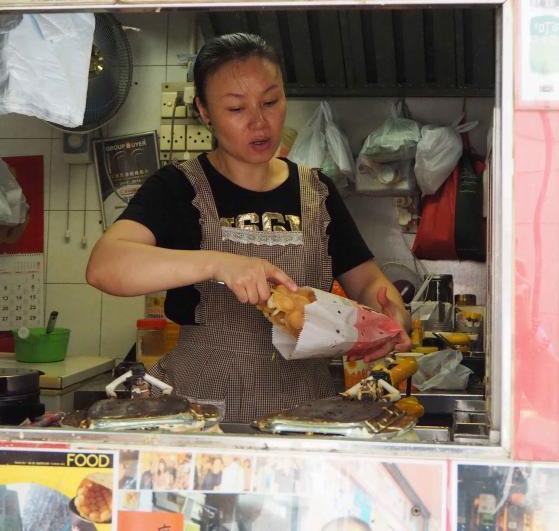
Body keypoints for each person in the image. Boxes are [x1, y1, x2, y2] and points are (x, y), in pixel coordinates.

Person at [86, 33, 410, 423]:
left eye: (271, 102)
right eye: (237, 108)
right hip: (202, 418)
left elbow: (369, 283)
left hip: (302, 418)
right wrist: (219, 264)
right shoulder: (177, 187)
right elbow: (105, 265)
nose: (260, 122)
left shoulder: (316, 190)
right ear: (204, 111)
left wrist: (389, 322)